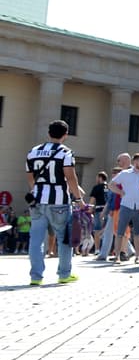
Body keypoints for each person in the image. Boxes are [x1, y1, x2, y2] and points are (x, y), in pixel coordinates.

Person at [26, 120, 85, 285]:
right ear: (65, 135)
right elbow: (70, 177)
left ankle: (36, 277)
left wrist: (37, 191)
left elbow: (30, 178)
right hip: (59, 201)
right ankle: (64, 274)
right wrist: (79, 199)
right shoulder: (65, 152)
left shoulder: (33, 151)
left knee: (36, 240)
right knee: (64, 238)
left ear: (48, 133)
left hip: (37, 201)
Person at [110, 153, 139, 264]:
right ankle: (117, 256)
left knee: (138, 234)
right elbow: (111, 185)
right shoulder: (125, 173)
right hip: (126, 205)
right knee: (120, 232)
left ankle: (138, 256)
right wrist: (120, 192)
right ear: (135, 161)